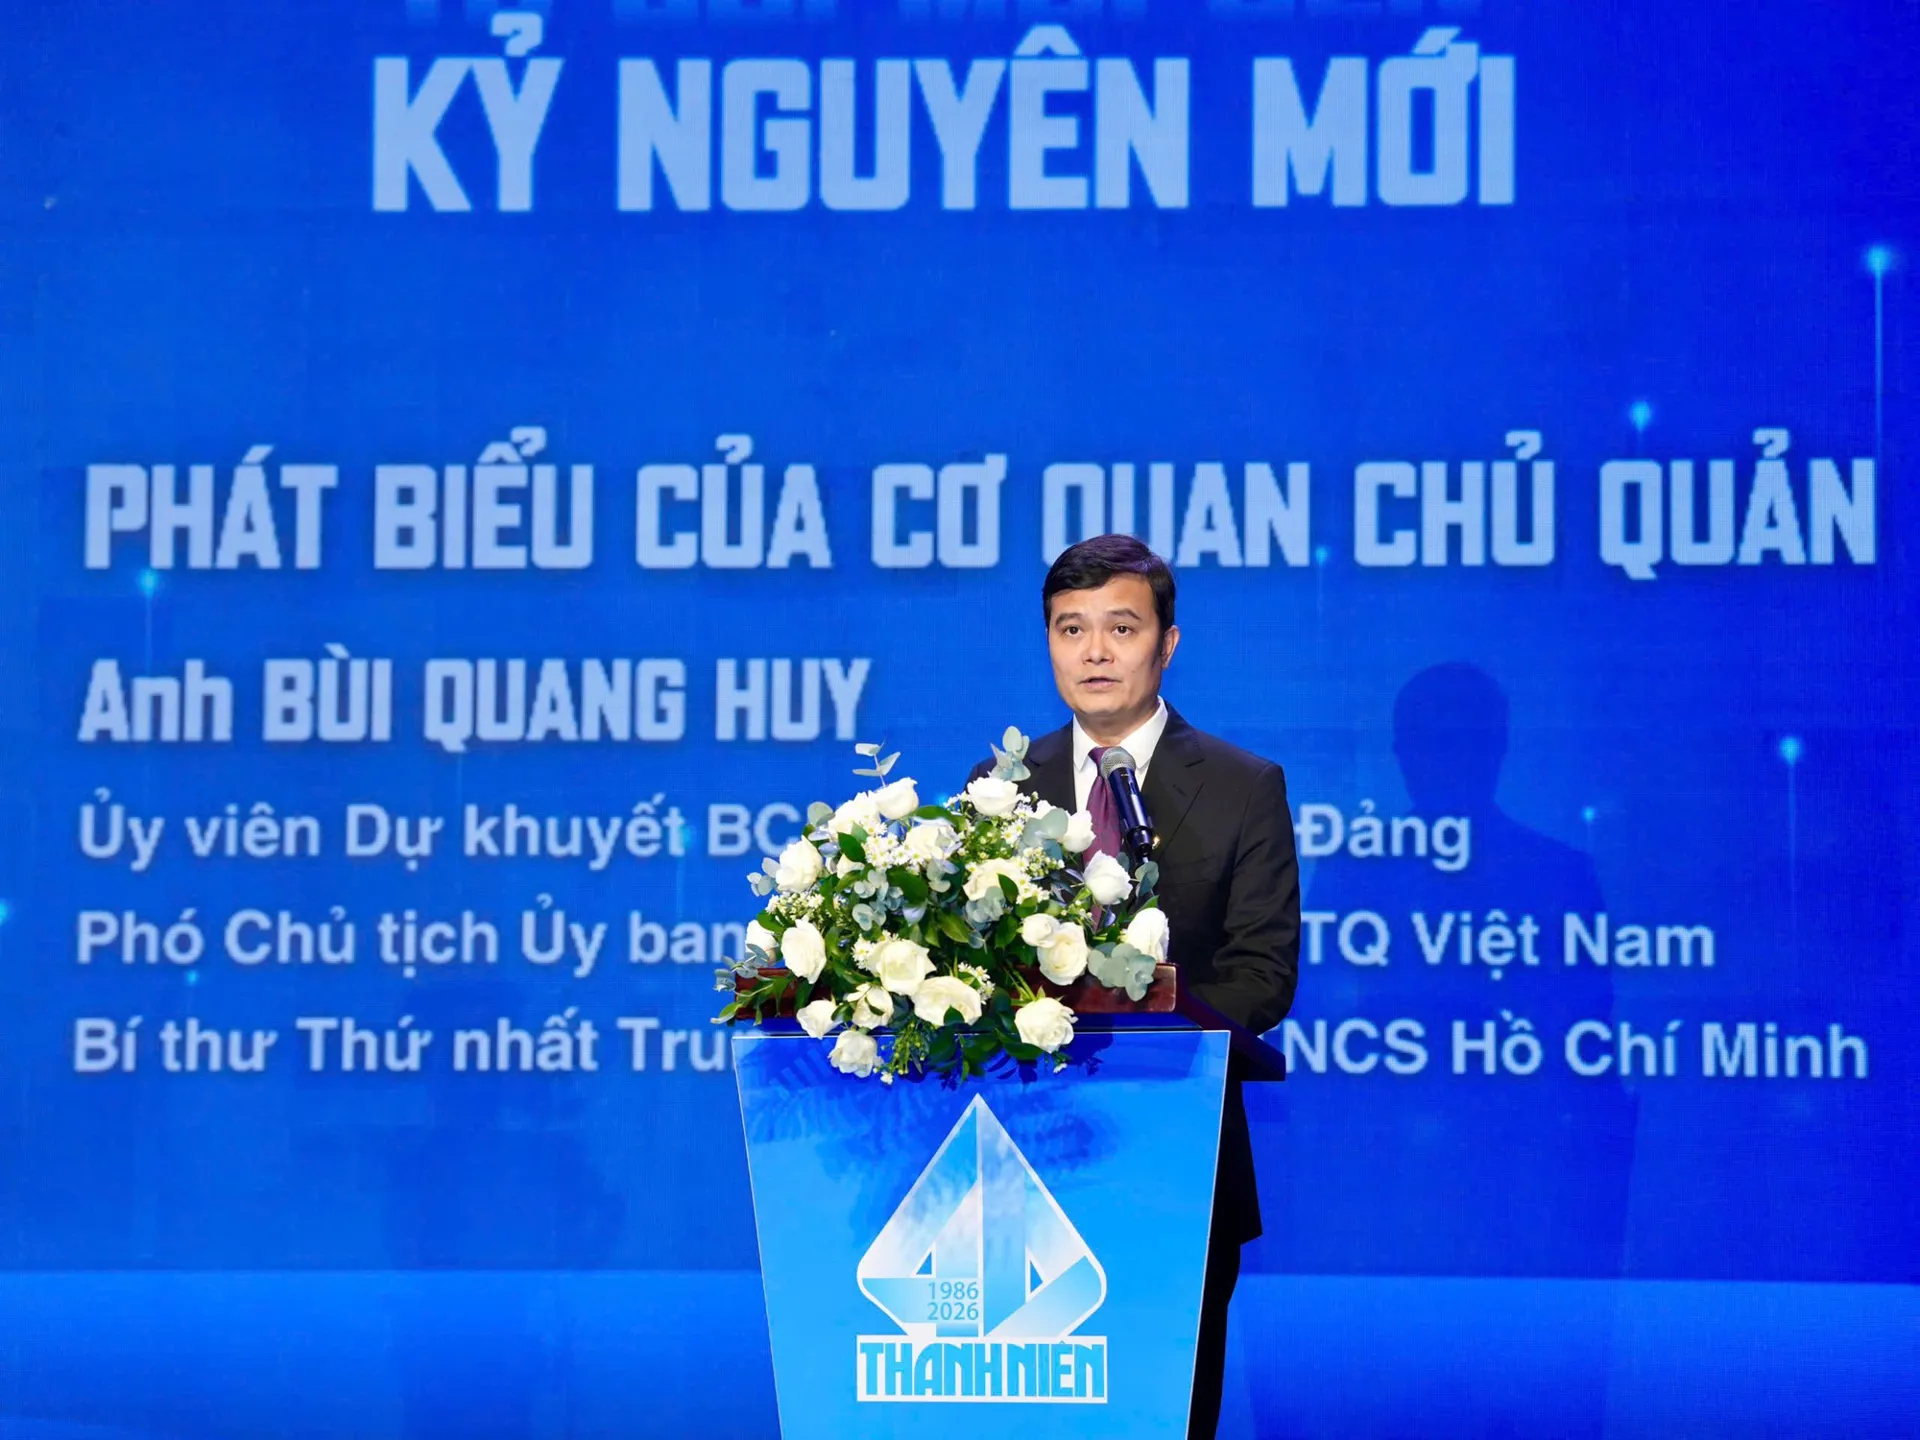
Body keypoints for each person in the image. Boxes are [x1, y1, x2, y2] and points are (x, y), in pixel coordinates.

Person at [969, 533, 1300, 1440]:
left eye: (1121, 628)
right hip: (1020, 1161)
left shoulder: (1241, 786)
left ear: (1167, 643)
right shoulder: (999, 787)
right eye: (1070, 629)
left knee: (1163, 1413)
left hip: (1177, 1156)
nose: (1095, 652)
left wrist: (1147, 1014)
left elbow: (1264, 974)